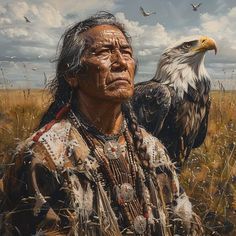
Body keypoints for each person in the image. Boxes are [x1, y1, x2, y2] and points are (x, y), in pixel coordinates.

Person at [0, 12, 203, 236]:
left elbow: (185, 224)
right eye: (103, 52)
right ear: (72, 74)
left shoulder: (153, 149)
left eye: (126, 52)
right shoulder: (43, 154)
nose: (121, 62)